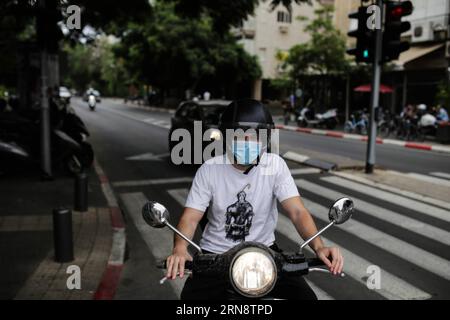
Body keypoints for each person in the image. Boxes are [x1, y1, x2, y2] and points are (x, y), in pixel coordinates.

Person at [165, 99, 344, 300]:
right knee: (190, 302)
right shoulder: (209, 169)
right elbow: (190, 218)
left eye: (255, 137)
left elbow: (297, 212)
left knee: (307, 299)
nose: (248, 143)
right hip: (215, 256)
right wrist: (180, 248)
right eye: (241, 137)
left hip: (265, 254)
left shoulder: (275, 166)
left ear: (265, 139)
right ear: (227, 137)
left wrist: (319, 246)